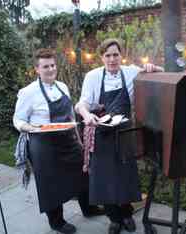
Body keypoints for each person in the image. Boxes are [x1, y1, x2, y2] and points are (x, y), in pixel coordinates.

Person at [75, 38, 163, 234]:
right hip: (102, 133)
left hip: (124, 132)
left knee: (125, 176)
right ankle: (114, 218)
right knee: (104, 178)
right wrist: (87, 115)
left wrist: (152, 66)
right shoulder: (93, 76)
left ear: (121, 56)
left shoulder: (131, 72)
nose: (112, 59)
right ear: (101, 57)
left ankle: (126, 213)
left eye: (116, 55)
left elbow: (160, 73)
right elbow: (81, 104)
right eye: (108, 55)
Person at [13, 48, 104, 234]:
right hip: (43, 145)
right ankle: (57, 222)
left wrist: (79, 140)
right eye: (45, 66)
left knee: (83, 174)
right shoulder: (28, 92)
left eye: (53, 65)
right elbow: (18, 119)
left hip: (68, 140)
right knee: (50, 185)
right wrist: (28, 128)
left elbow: (70, 114)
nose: (50, 69)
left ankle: (88, 208)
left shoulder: (62, 86)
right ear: (37, 69)